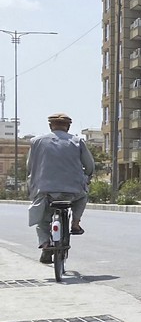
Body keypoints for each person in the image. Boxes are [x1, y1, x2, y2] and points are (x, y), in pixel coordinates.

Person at [27, 113, 95, 264]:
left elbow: (30, 167)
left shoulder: (36, 142)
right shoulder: (77, 141)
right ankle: (75, 223)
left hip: (45, 192)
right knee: (83, 196)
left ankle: (45, 246)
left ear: (50, 126)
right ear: (68, 127)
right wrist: (87, 178)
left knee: (43, 220)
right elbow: (89, 166)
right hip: (72, 192)